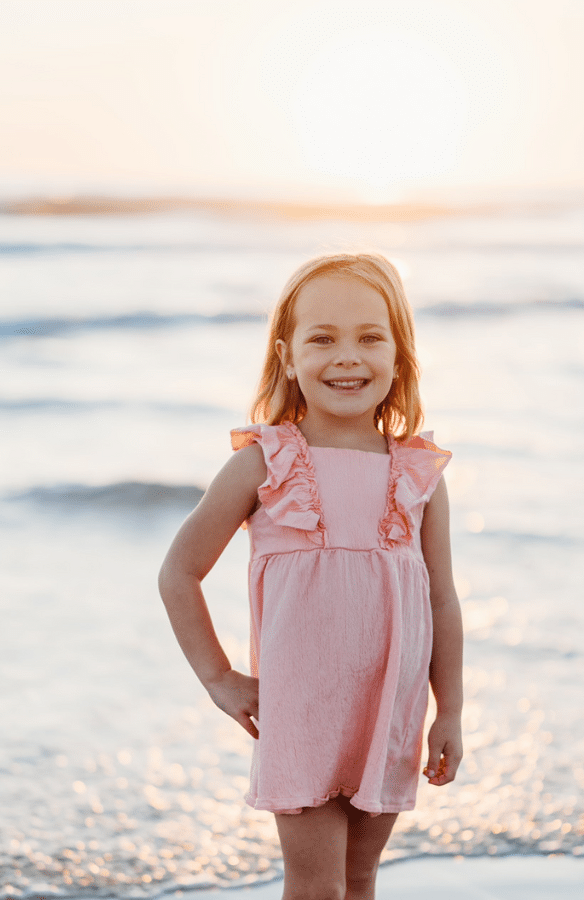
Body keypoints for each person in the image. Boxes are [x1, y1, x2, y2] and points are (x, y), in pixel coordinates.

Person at [158, 252, 464, 900]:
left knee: (359, 878)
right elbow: (179, 572)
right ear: (288, 356)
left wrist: (450, 712)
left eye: (369, 338)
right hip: (301, 714)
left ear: (400, 356)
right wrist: (219, 678)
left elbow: (441, 601)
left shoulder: (419, 475)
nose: (346, 356)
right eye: (322, 338)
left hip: (390, 710)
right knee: (316, 886)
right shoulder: (265, 464)